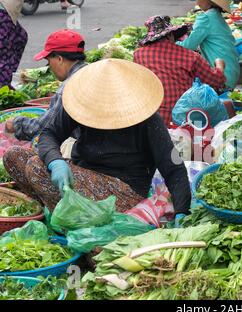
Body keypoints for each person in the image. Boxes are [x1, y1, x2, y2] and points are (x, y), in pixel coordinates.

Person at [3, 59, 191, 224]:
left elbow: (173, 167)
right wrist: (55, 161)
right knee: (14, 156)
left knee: (36, 166)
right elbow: (49, 134)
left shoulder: (147, 119)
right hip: (83, 174)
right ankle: (61, 213)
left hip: (123, 191)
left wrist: (182, 212)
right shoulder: (85, 105)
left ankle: (73, 224)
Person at [134, 15, 227, 126]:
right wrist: (219, 65)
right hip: (181, 120)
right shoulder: (190, 56)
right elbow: (217, 80)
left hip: (150, 118)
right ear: (170, 35)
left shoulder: (138, 55)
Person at [5, 29, 87, 145]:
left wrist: (16, 123)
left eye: (49, 62)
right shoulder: (94, 71)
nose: (50, 67)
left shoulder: (69, 87)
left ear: (59, 59)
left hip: (86, 152)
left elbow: (45, 128)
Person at [177, 0, 239, 89]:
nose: (197, 3)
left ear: (210, 2)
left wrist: (169, 43)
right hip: (232, 72)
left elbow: (188, 46)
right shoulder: (216, 15)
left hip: (223, 77)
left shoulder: (206, 18)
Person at [0, 0, 28, 88]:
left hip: (7, 11)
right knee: (5, 50)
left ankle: (5, 82)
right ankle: (3, 86)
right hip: (3, 11)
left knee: (20, 37)